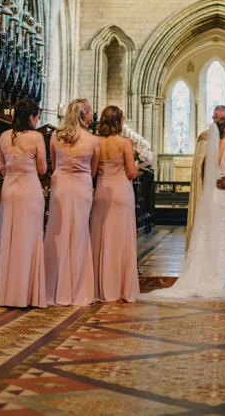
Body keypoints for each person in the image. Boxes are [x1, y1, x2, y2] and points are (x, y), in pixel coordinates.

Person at [143, 116, 225, 302]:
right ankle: (222, 278)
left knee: (211, 236)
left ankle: (206, 274)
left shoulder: (213, 149)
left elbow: (209, 172)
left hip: (214, 195)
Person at [0, 98, 49, 307]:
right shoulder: (36, 138)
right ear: (31, 117)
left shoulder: (4, 136)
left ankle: (5, 292)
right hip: (30, 191)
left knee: (8, 237)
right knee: (29, 240)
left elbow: (2, 167)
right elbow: (42, 169)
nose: (37, 120)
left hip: (10, 189)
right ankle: (26, 293)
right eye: (37, 116)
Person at [44, 98, 99, 305]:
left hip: (61, 185)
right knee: (79, 233)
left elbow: (55, 164)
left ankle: (53, 286)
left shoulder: (55, 137)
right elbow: (93, 171)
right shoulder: (92, 140)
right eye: (90, 113)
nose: (92, 117)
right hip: (82, 187)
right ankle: (77, 288)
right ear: (83, 116)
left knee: (56, 232)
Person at [90, 105, 140, 302]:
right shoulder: (124, 143)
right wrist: (136, 165)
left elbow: (93, 172)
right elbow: (131, 173)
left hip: (102, 191)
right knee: (121, 239)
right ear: (119, 122)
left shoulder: (96, 142)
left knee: (101, 238)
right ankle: (120, 287)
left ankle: (101, 286)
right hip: (121, 193)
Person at [185, 105, 225, 250]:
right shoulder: (205, 137)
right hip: (211, 189)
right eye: (215, 118)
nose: (218, 121)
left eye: (222, 118)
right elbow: (200, 167)